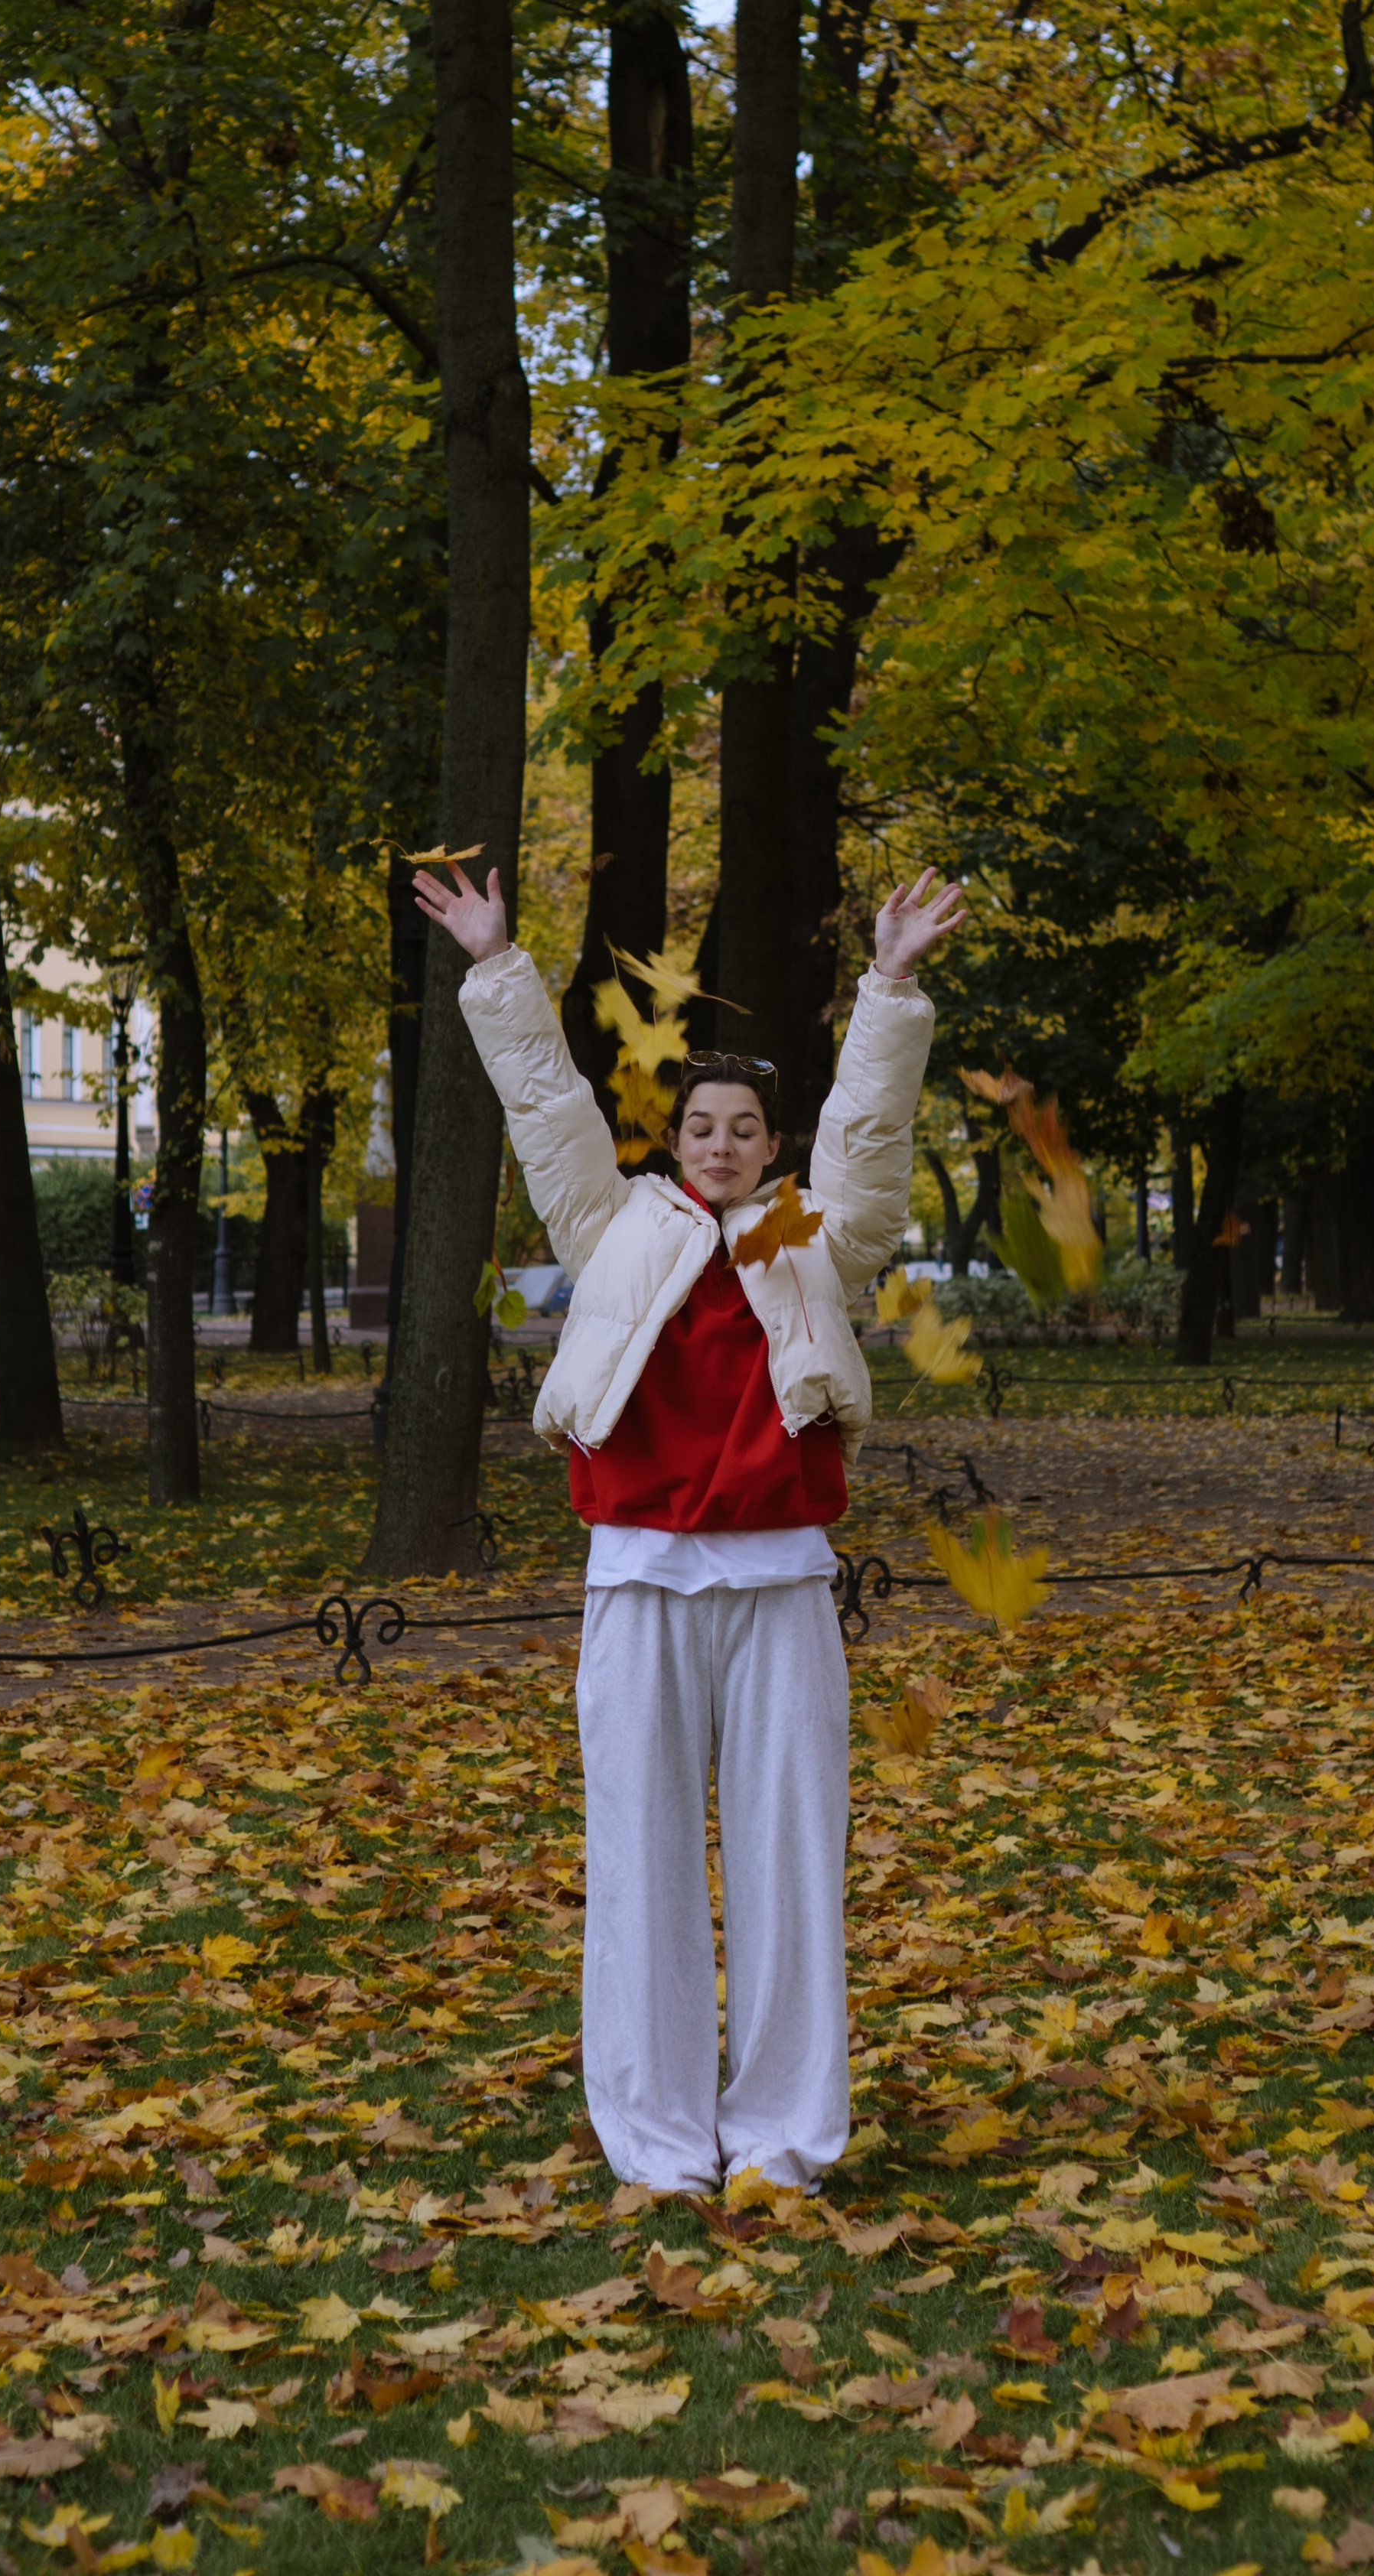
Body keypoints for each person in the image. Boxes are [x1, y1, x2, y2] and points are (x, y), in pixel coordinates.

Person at [415, 858, 964, 2195]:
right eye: (700, 1126)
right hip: (642, 1580)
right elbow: (546, 1111)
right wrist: (496, 965)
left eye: (744, 1129)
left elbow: (871, 1140)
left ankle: (781, 2139)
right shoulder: (614, 1228)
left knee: (789, 1870)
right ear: (672, 1140)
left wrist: (890, 985)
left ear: (771, 1150)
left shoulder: (810, 1241)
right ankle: (658, 2143)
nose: (721, 1143)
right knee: (641, 1874)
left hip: (779, 1586)